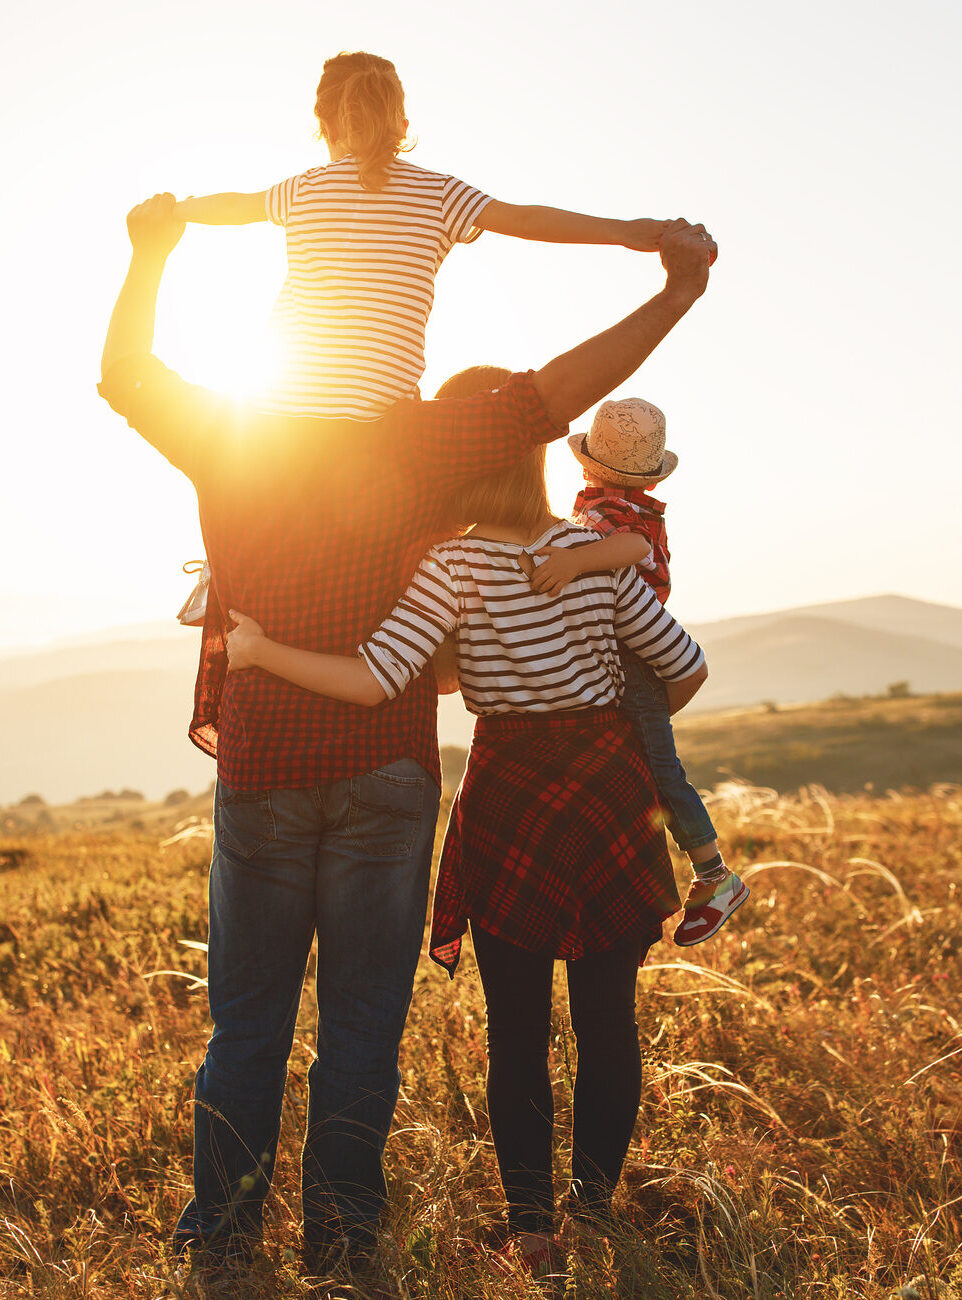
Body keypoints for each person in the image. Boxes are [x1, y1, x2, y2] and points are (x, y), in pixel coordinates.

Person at [97, 191, 716, 1283]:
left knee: (246, 1023)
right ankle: (343, 1237)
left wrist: (150, 255)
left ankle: (223, 1236)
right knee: (362, 1026)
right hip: (385, 769)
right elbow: (557, 393)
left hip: (263, 765)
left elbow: (126, 373)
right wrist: (672, 287)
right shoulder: (425, 438)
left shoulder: (230, 430)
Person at [223, 413, 709, 1277]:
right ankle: (593, 1213)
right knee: (608, 1022)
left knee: (516, 1030)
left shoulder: (452, 563)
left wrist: (260, 649)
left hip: (511, 793)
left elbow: (375, 681)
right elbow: (686, 666)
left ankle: (532, 1228)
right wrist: (613, 735)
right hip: (606, 789)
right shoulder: (596, 546)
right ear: (535, 462)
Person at [176, 50, 675, 419]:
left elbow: (234, 207)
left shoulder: (304, 189)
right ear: (402, 123)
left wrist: (175, 210)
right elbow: (526, 220)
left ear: (323, 124)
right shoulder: (438, 193)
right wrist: (628, 232)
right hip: (381, 415)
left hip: (281, 408)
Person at [524, 398, 748, 944]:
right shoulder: (614, 505)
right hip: (625, 653)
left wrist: (573, 562)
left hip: (631, 654)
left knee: (658, 768)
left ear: (586, 463)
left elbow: (629, 548)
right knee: (638, 765)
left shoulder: (616, 516)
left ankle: (715, 874)